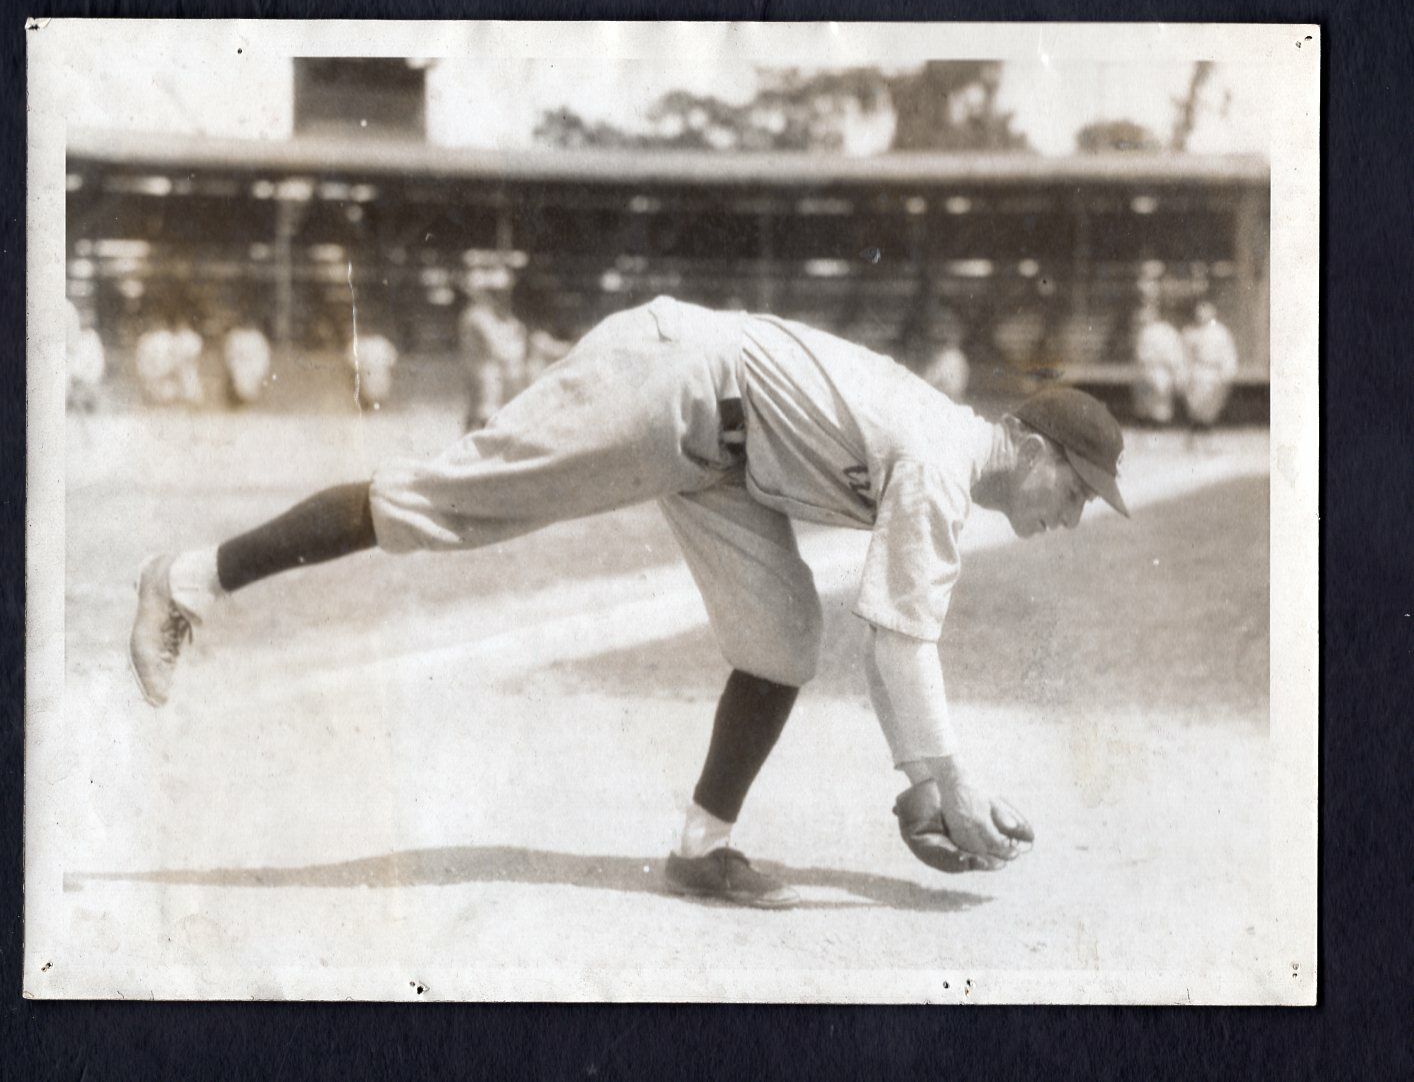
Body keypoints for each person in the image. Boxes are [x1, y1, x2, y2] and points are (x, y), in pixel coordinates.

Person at [129, 296, 1129, 909]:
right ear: (1034, 453)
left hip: (729, 456)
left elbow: (892, 644)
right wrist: (945, 783)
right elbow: (900, 643)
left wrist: (923, 783)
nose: (1074, 515)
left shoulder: (950, 453)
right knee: (439, 505)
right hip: (672, 381)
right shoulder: (945, 465)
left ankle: (701, 849)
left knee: (782, 639)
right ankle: (188, 580)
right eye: (1076, 490)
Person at [459, 272, 530, 432]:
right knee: (485, 412)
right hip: (484, 370)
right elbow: (498, 348)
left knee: (478, 412)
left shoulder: (487, 315)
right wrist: (516, 341)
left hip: (486, 369)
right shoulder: (477, 315)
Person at [1181, 301, 1239, 436]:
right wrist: (1184, 374)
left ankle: (1208, 438)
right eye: (1199, 313)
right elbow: (1185, 356)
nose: (1201, 316)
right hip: (1197, 371)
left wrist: (1227, 373)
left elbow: (1228, 354)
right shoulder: (1190, 332)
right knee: (1195, 408)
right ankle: (1194, 439)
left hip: (1214, 372)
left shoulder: (1221, 332)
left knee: (1211, 409)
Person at [1131, 302, 1187, 425]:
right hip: (1149, 369)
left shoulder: (1166, 331)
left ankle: (1158, 422)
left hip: (1161, 369)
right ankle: (1150, 420)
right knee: (1147, 398)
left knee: (1160, 400)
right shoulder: (1146, 331)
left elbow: (1175, 353)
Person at [65, 300, 106, 413]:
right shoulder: (68, 338)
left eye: (88, 314)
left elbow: (98, 365)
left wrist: (84, 380)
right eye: (81, 314)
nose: (85, 318)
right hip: (69, 388)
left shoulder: (92, 338)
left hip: (87, 386)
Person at [347, 332, 398, 410]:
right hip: (369, 377)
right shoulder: (360, 343)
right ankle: (371, 406)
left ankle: (374, 406)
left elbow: (392, 359)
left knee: (376, 392)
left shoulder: (381, 342)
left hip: (377, 376)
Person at [223, 326, 273, 407]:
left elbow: (263, 356)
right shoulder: (236, 336)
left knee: (249, 384)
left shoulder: (257, 337)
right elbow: (230, 356)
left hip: (253, 366)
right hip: (240, 366)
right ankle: (239, 399)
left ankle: (247, 399)